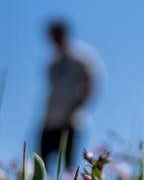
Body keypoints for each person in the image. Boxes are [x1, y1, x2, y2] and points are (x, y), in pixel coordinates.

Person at [39, 20, 99, 168]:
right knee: (41, 163)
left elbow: (92, 84)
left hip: (70, 121)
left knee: (67, 166)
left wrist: (77, 108)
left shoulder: (81, 57)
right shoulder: (52, 63)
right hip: (49, 121)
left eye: (55, 35)